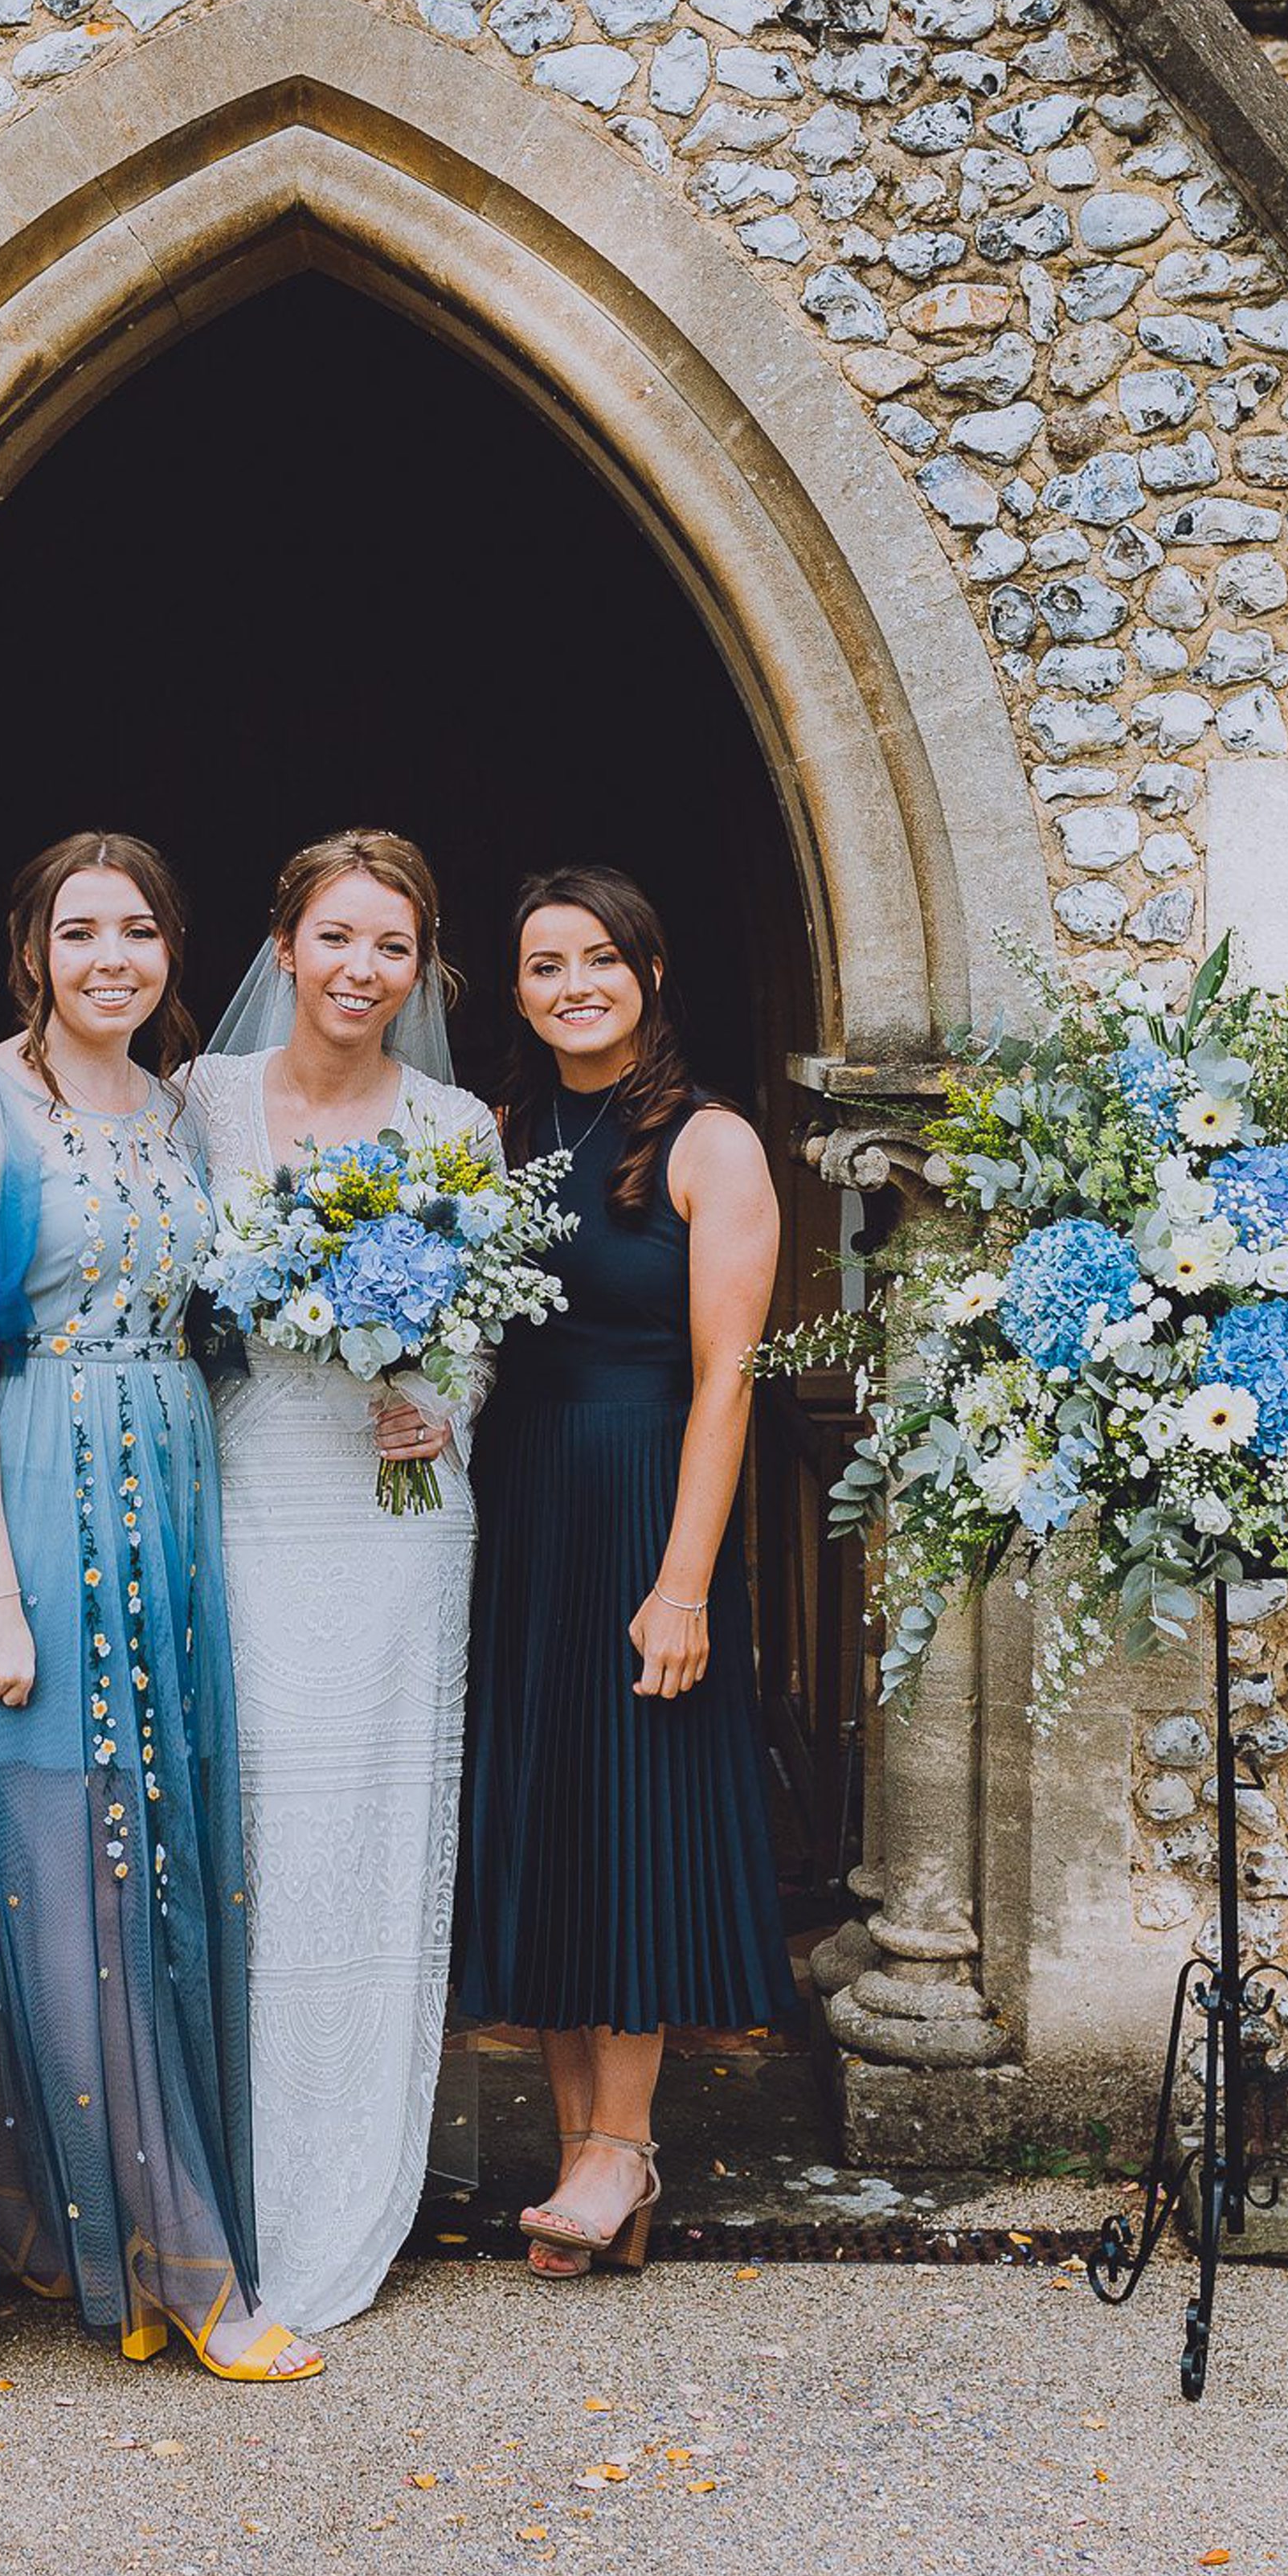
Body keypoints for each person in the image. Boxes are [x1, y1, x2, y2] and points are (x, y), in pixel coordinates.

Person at [0, 832, 319, 2382]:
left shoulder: (186, 1113)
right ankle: (188, 2266)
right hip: (34, 1493)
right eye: (80, 930)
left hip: (168, 1493)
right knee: (81, 1869)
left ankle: (87, 2233)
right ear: (33, 947)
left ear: (172, 950)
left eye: (138, 930)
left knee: (158, 1862)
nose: (110, 956)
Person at [184, 831, 501, 2330]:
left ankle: (351, 2183)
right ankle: (229, 2183)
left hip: (399, 1508)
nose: (361, 971)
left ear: (422, 967)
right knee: (251, 1820)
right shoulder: (206, 1103)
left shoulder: (455, 1121)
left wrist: (448, 1400)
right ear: (286, 944)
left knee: (375, 1828)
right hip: (257, 1489)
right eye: (335, 938)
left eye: (391, 947)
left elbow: (486, 1330)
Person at [460, 864, 794, 2275]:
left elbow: (728, 1378)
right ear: (518, 986)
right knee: (547, 1813)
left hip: (651, 1491)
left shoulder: (712, 1144)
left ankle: (621, 2146)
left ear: (650, 974)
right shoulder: (497, 1131)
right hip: (522, 1501)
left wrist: (685, 1580)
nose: (573, 984)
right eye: (545, 964)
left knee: (634, 1812)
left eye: (600, 958)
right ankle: (580, 2157)